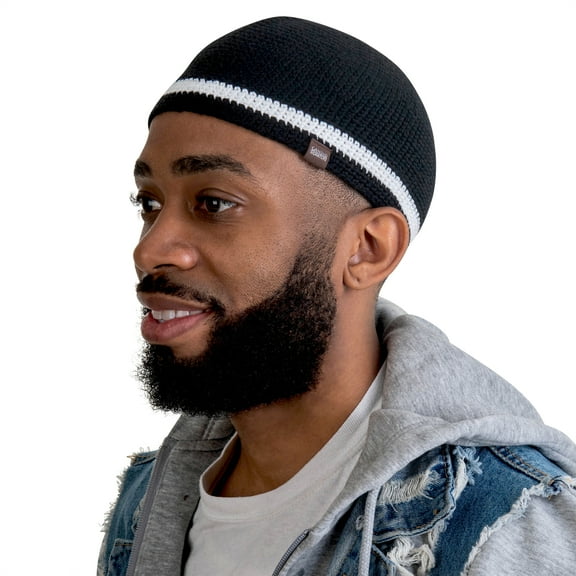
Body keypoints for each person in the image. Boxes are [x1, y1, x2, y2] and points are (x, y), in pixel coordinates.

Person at [98, 16, 576, 576]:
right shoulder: (146, 501)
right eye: (149, 203)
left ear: (368, 248)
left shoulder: (500, 523)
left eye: (215, 203)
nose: (150, 249)